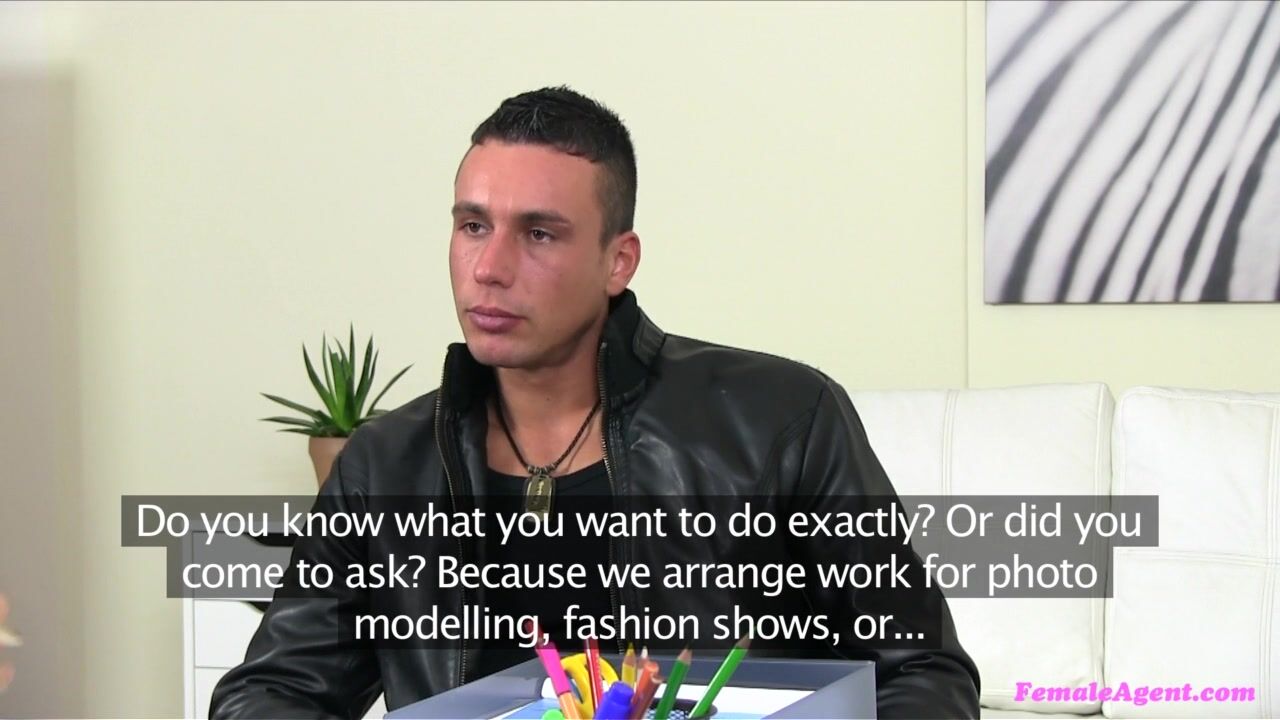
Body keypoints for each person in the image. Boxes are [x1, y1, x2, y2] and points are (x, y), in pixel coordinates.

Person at [211, 86, 980, 719]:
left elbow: (924, 676)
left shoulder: (784, 419)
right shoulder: (384, 464)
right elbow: (271, 693)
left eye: (539, 234)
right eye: (473, 225)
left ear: (619, 261)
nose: (489, 267)